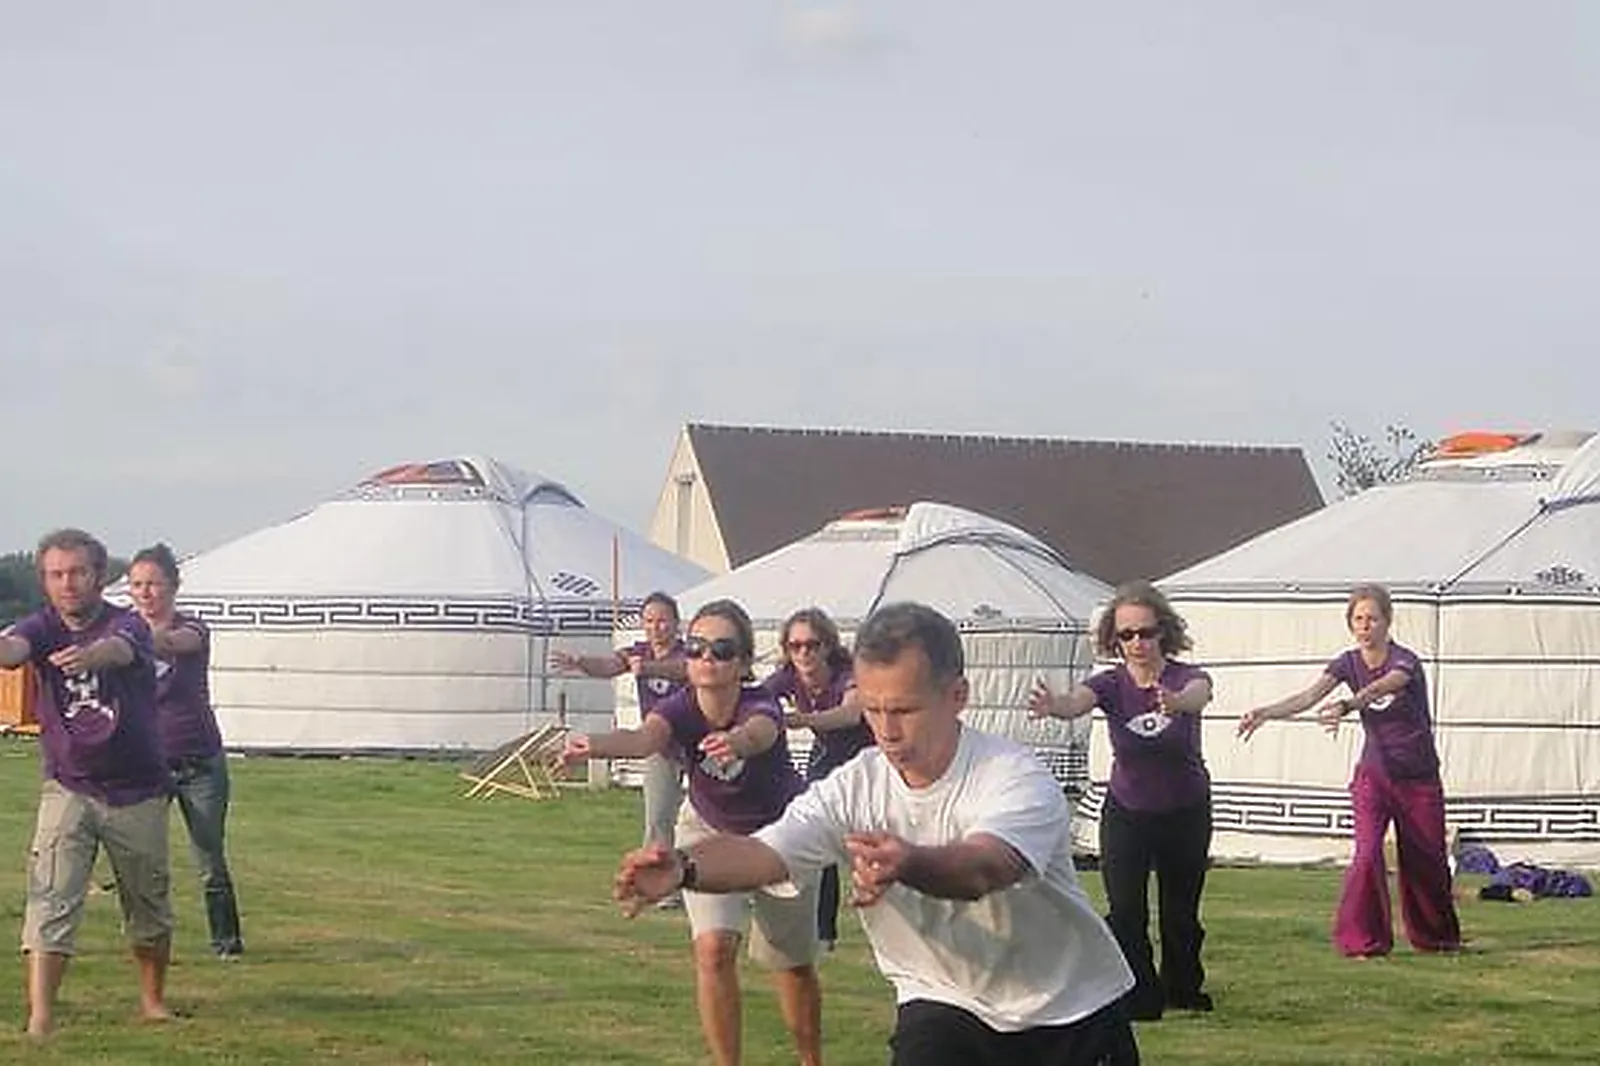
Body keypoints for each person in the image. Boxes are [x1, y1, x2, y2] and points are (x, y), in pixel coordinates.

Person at [614, 602, 1139, 1066]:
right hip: (942, 1002)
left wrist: (908, 862)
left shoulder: (1013, 776)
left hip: (1070, 1009)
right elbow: (765, 853)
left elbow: (986, 868)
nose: (886, 730)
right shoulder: (854, 786)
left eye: (905, 710)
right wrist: (684, 868)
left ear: (957, 696)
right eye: (873, 709)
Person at [563, 598, 821, 1066]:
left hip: (780, 838)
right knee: (712, 950)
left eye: (721, 649)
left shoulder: (759, 701)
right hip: (707, 829)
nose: (706, 658)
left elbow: (761, 732)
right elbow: (644, 739)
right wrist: (592, 744)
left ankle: (810, 1060)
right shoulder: (676, 706)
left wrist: (735, 741)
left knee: (792, 967)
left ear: (742, 662)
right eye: (698, 647)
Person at [0, 529, 174, 1037]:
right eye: (56, 575)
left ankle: (152, 1000)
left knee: (148, 904)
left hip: (137, 788)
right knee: (51, 895)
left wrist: (88, 656)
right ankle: (41, 1017)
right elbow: (13, 649)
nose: (67, 583)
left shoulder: (128, 624)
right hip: (69, 785)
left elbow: (120, 651)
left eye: (77, 572)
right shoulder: (42, 625)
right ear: (45, 581)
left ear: (98, 576)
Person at [1238, 583, 1462, 958]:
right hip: (1374, 774)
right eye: (1358, 619)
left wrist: (1348, 705)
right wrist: (1265, 712)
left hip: (1418, 777)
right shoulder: (1346, 662)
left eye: (1372, 618)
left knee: (1426, 858)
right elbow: (1309, 696)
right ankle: (1363, 941)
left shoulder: (1405, 661)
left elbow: (1385, 686)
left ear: (1387, 622)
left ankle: (1435, 938)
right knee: (1367, 853)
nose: (1365, 626)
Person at [1028, 580, 1215, 1021]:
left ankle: (1184, 989)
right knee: (1126, 911)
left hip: (1186, 810)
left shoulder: (1186, 677)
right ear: (1115, 639)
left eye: (1146, 632)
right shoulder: (1110, 684)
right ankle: (1139, 997)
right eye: (1127, 635)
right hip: (1128, 811)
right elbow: (1078, 701)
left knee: (1179, 912)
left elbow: (1199, 696)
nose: (1137, 643)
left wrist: (1176, 703)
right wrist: (1055, 704)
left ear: (1163, 632)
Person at [126, 543, 245, 958]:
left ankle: (225, 941)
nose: (145, 593)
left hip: (199, 762)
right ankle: (147, 942)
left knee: (209, 859)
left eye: (154, 584)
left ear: (173, 587)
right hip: (146, 764)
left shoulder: (193, 628)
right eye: (137, 585)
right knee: (141, 859)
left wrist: (129, 642)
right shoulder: (119, 634)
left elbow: (177, 643)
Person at [550, 591, 688, 903]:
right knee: (658, 818)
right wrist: (581, 663)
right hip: (659, 745)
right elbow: (610, 665)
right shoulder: (637, 652)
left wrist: (649, 669)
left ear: (676, 623)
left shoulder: (690, 653)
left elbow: (684, 670)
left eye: (663, 620)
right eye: (649, 621)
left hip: (696, 742)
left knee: (715, 815)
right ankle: (663, 886)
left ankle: (732, 881)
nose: (656, 627)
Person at [759, 607, 872, 948]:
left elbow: (851, 714)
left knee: (869, 840)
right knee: (817, 836)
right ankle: (823, 932)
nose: (804, 653)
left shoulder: (846, 674)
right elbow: (758, 699)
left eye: (812, 645)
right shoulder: (787, 676)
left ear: (827, 646)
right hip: (827, 757)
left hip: (868, 759)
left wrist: (802, 719)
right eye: (795, 646)